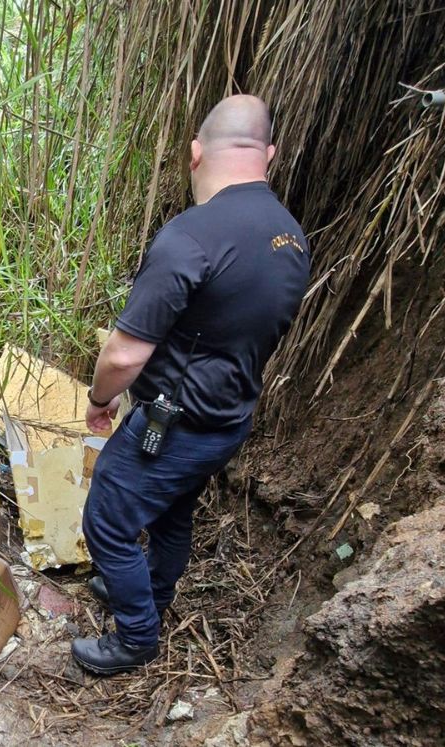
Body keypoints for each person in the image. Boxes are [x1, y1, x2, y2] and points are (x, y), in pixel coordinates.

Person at [71, 95, 310, 675]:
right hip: (227, 421)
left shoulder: (192, 237)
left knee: (107, 519)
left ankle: (136, 637)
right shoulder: (290, 235)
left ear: (196, 153)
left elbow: (124, 353)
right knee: (172, 511)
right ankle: (150, 593)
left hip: (174, 423)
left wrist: (100, 400)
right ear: (269, 155)